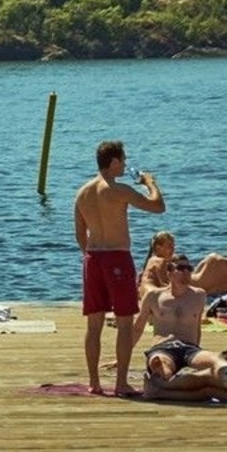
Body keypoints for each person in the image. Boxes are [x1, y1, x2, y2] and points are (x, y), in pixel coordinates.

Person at [73, 140, 165, 397]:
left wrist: (89, 256)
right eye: (123, 160)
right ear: (113, 162)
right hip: (116, 257)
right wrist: (150, 183)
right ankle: (121, 383)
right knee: (125, 323)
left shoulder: (82, 192)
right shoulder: (117, 190)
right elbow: (158, 206)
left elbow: (80, 234)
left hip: (92, 258)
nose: (125, 164)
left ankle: (94, 383)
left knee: (94, 326)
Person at [133, 255, 207, 346]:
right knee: (164, 360)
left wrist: (196, 350)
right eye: (180, 268)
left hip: (189, 350)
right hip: (162, 347)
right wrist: (123, 356)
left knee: (216, 359)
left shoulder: (199, 295)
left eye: (189, 268)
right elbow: (138, 327)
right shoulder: (154, 296)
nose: (186, 272)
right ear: (169, 273)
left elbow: (197, 329)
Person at [136, 231, 176, 309]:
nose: (173, 250)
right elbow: (165, 284)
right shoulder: (160, 261)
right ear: (158, 248)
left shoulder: (151, 260)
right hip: (152, 298)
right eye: (169, 247)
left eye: (173, 246)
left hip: (144, 296)